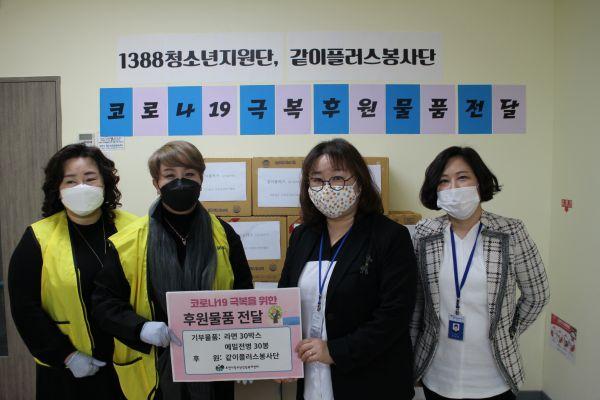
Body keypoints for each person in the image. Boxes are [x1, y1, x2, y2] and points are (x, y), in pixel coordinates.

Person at [92, 140, 253, 400]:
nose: (180, 183)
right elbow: (104, 304)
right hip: (153, 371)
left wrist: (247, 354)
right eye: (169, 175)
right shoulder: (128, 241)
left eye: (189, 174)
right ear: (156, 183)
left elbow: (244, 295)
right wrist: (140, 328)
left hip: (215, 366)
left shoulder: (224, 234)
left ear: (201, 179)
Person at [278, 138, 417, 400]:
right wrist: (280, 354)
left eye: (338, 178)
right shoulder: (302, 236)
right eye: (317, 180)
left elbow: (395, 315)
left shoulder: (390, 236)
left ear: (359, 183)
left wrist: (336, 351)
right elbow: (284, 299)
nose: (327, 187)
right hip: (311, 379)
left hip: (372, 380)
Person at [411, 146, 550, 400]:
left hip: (494, 376)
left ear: (480, 182)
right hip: (438, 373)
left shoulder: (511, 231)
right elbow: (417, 302)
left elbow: (537, 294)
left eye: (462, 177)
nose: (453, 187)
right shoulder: (424, 234)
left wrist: (507, 331)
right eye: (443, 181)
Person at [8, 143, 136, 399]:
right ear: (58, 188)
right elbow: (24, 307)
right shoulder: (38, 238)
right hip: (66, 370)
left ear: (105, 182)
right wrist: (66, 356)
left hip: (129, 365)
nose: (82, 187)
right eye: (70, 181)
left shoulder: (135, 229)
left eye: (90, 178)